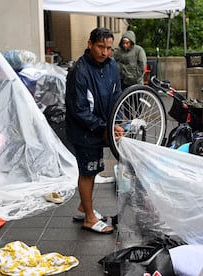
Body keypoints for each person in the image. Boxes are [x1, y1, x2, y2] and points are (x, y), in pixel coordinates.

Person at [65, 28, 123, 234]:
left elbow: (118, 96)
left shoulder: (112, 66)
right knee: (87, 173)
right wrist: (104, 127)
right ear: (90, 44)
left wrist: (118, 122)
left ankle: (84, 207)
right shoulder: (78, 71)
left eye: (109, 48)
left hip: (100, 128)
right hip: (83, 130)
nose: (105, 52)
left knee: (95, 168)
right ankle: (89, 218)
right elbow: (78, 109)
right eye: (100, 47)